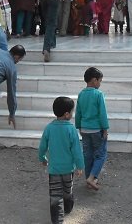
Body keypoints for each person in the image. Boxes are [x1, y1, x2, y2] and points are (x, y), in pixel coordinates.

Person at [39, 96, 84, 224]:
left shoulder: (49, 128)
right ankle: (68, 207)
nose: (72, 113)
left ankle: (57, 220)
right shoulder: (71, 130)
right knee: (67, 190)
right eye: (72, 111)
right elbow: (76, 150)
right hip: (68, 169)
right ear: (66, 114)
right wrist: (80, 166)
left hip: (54, 169)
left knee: (55, 195)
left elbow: (42, 146)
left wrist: (42, 158)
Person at [75, 67, 109, 191]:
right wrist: (105, 128)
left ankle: (89, 179)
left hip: (84, 129)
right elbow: (102, 113)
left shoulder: (81, 94)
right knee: (100, 154)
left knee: (87, 154)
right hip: (96, 129)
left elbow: (78, 112)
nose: (100, 83)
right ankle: (92, 177)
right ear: (94, 80)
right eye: (100, 81)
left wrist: (78, 126)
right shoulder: (98, 94)